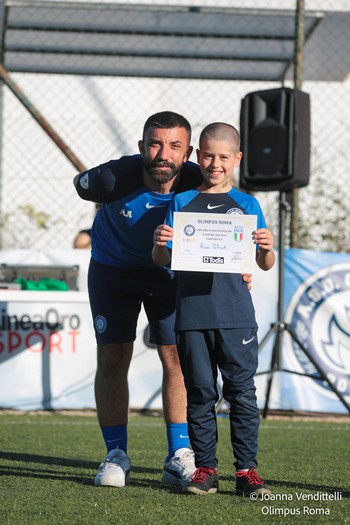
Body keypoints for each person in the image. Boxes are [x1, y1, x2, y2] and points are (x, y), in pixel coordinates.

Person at [73, 112, 252, 489]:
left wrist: (242, 263)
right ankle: (116, 454)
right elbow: (80, 183)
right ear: (142, 148)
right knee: (113, 356)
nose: (163, 154)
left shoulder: (195, 181)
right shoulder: (114, 177)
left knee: (176, 355)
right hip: (112, 272)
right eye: (154, 144)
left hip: (170, 273)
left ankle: (179, 455)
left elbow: (232, 221)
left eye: (174, 146)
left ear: (187, 152)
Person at [152, 122, 275, 497]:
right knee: (201, 392)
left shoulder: (249, 204)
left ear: (237, 159)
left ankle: (247, 472)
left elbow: (264, 263)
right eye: (207, 155)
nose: (215, 163)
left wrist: (267, 248)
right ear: (196, 156)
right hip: (191, 314)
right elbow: (161, 260)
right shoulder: (182, 202)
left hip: (236, 315)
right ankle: (206, 469)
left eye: (223, 156)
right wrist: (160, 242)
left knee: (241, 393)